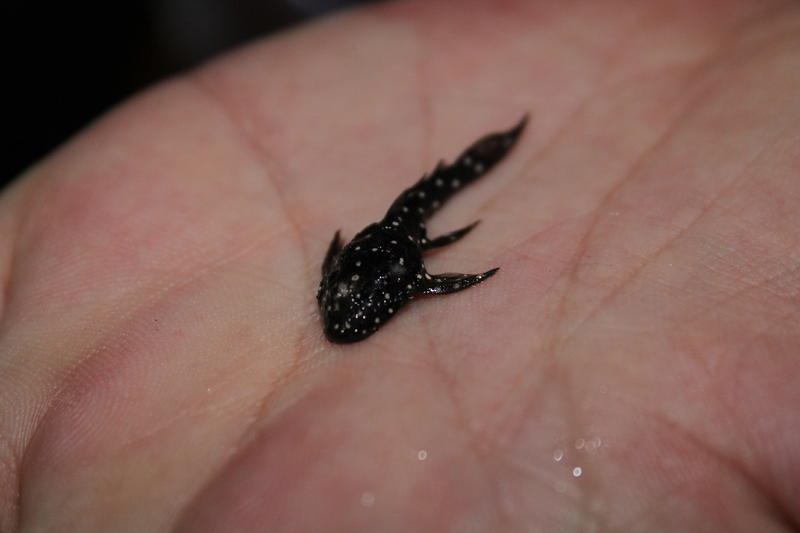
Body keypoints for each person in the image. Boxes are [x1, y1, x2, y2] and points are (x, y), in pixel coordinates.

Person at [1, 1, 798, 531]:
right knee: (430, 196)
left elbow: (364, 268)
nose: (343, 317)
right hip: (378, 208)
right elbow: (354, 273)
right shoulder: (364, 293)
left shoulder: (382, 279)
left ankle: (487, 153)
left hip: (393, 223)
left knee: (437, 190)